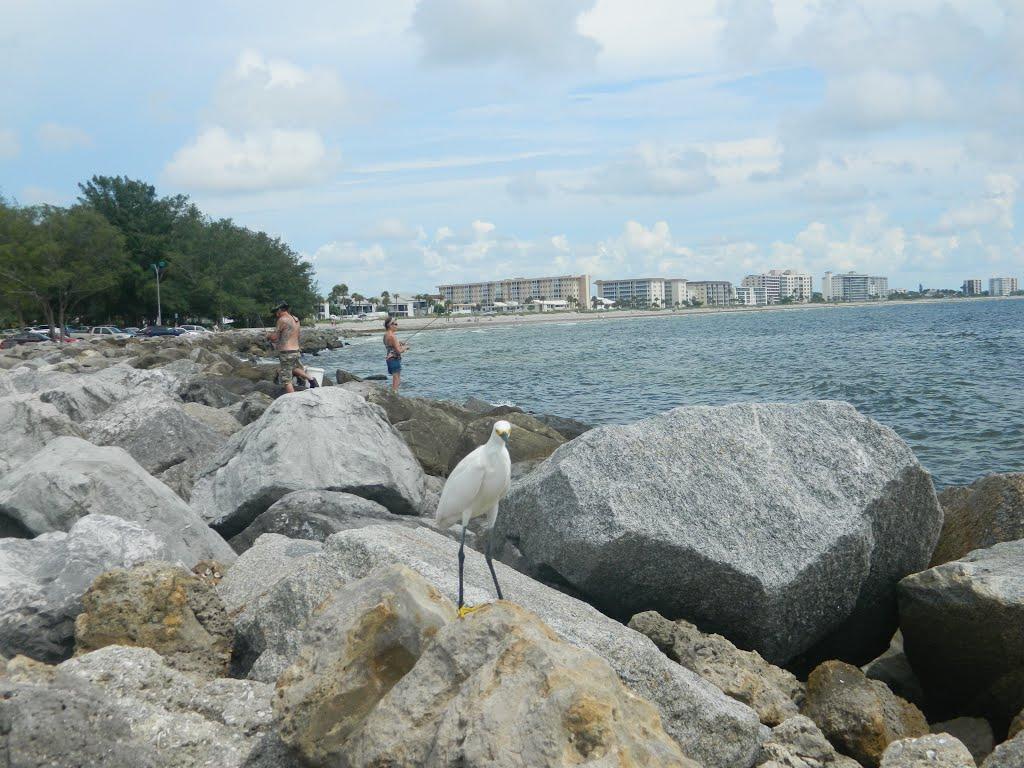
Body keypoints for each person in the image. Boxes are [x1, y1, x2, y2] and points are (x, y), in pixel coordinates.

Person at [268, 301, 317, 394]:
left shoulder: (282, 320)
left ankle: (293, 398)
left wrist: (268, 336)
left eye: (276, 311)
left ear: (280, 310)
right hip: (296, 350)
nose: (275, 314)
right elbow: (297, 336)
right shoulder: (296, 319)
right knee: (293, 368)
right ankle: (311, 379)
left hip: (286, 352)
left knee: (286, 380)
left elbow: (274, 337)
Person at [384, 316, 409, 391]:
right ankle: (394, 395)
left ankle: (394, 394)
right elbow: (398, 351)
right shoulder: (392, 336)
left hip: (390, 359)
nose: (396, 326)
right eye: (395, 324)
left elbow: (390, 346)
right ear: (389, 325)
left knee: (396, 378)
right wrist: (405, 347)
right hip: (394, 360)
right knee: (396, 379)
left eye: (396, 324)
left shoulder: (386, 335)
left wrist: (399, 343)